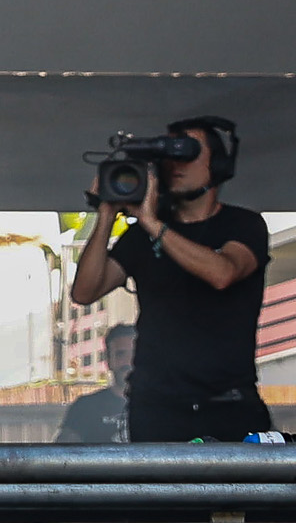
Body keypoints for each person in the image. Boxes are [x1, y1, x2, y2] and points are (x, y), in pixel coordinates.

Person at [66, 118, 270, 442]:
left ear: (217, 164)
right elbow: (85, 291)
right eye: (170, 156)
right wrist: (106, 214)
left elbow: (223, 273)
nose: (176, 165)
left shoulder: (243, 224)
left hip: (228, 405)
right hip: (156, 406)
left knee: (236, 492)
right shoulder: (141, 236)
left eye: (188, 154)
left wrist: (151, 222)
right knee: (158, 493)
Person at [54, 320, 138, 444]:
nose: (129, 362)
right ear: (108, 361)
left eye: (135, 354)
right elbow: (63, 455)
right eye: (121, 354)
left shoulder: (162, 406)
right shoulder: (85, 407)